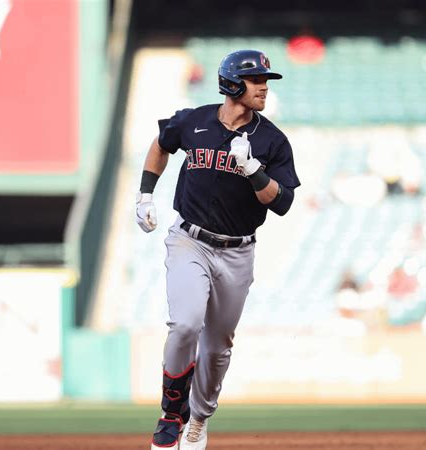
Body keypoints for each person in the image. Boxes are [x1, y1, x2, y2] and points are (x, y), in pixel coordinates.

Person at [135, 49, 300, 450]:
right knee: (186, 324)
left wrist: (253, 169)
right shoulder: (195, 121)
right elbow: (161, 143)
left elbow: (281, 202)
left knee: (217, 345)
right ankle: (172, 412)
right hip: (189, 239)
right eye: (256, 79)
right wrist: (144, 194)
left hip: (237, 252)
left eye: (266, 80)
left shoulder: (271, 140)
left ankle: (199, 417)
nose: (263, 86)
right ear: (231, 84)